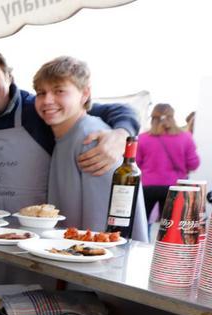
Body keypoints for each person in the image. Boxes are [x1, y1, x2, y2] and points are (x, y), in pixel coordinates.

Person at [0, 46, 140, 213]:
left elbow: (117, 110)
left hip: (41, 233)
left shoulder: (39, 109)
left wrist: (122, 133)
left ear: (9, 77)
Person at [34, 56, 148, 241]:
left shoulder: (93, 139)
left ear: (85, 94)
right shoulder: (67, 135)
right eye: (41, 93)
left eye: (59, 91)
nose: (47, 100)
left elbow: (101, 229)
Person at [137, 103, 201, 219]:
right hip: (175, 186)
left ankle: (143, 238)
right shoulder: (185, 138)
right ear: (172, 117)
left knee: (142, 221)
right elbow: (193, 164)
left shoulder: (143, 138)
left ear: (153, 118)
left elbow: (136, 163)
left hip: (148, 186)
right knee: (170, 225)